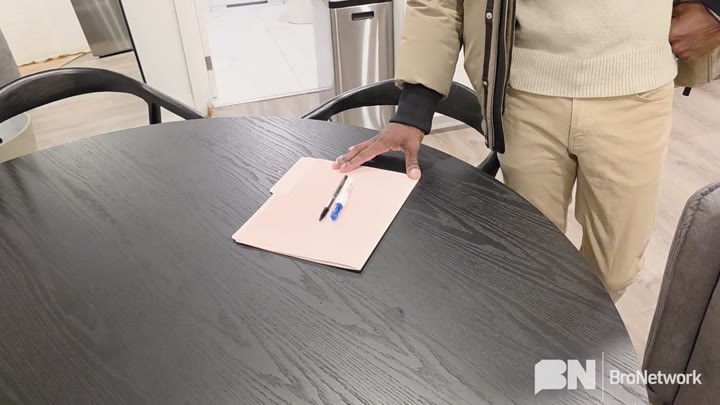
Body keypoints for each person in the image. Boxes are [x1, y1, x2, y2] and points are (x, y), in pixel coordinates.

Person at [332, 0, 720, 302]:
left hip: (639, 88)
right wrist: (415, 107)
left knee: (616, 269)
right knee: (534, 260)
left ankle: (577, 347)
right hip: (525, 93)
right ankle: (545, 358)